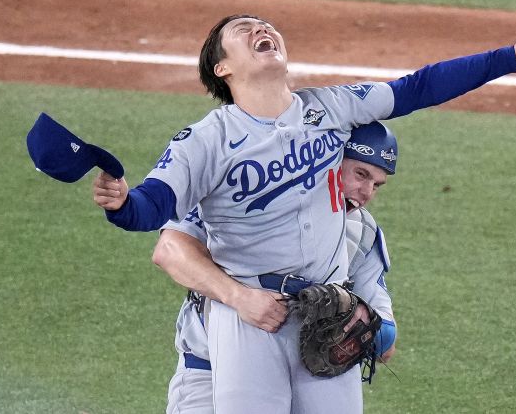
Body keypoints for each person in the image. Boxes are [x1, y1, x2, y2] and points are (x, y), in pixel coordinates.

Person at [92, 14, 516, 413]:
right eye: (242, 29)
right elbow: (150, 208)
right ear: (223, 67)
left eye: (264, 24)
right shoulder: (205, 140)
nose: (260, 27)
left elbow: (418, 87)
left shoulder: (331, 107)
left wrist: (510, 55)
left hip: (328, 314)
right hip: (249, 315)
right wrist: (122, 202)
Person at [159, 122, 399, 414]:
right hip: (207, 369)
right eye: (360, 174)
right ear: (330, 157)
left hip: (306, 378)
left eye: (376, 184)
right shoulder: (249, 194)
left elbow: (385, 342)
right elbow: (169, 251)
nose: (366, 192)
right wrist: (239, 297)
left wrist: (358, 323)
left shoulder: (362, 232)